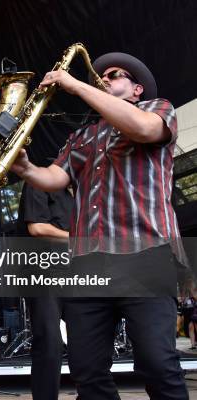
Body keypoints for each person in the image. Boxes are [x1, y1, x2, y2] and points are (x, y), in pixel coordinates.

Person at [10, 51, 189, 399]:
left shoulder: (158, 108)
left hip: (146, 256)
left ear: (137, 90)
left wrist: (74, 84)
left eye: (116, 75)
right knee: (87, 370)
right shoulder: (84, 136)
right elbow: (54, 178)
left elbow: (142, 128)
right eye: (102, 76)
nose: (105, 79)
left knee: (156, 362)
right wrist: (26, 169)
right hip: (89, 265)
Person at [17, 180, 72, 400]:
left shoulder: (87, 191)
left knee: (89, 342)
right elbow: (37, 228)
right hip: (43, 271)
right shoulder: (42, 181)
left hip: (77, 271)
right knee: (50, 343)